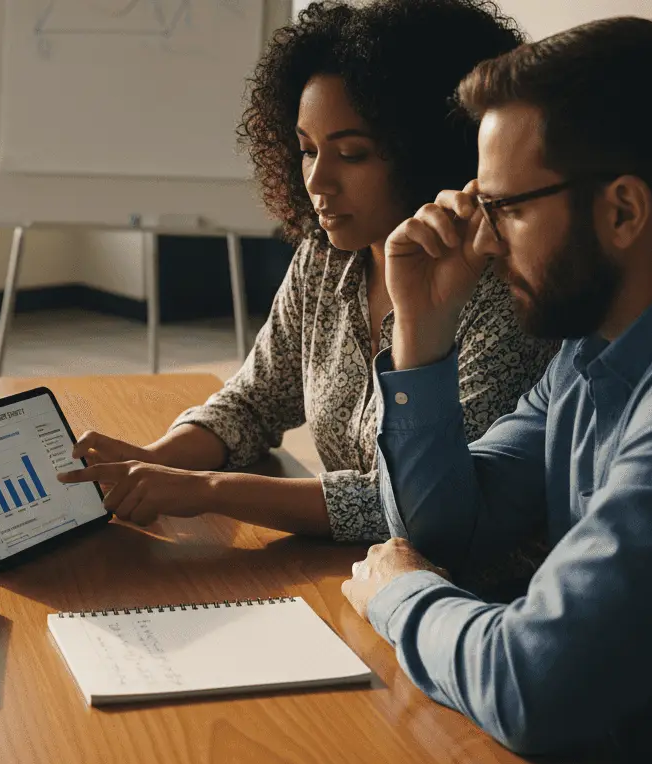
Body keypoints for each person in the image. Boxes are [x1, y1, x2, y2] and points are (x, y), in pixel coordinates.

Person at [340, 16, 652, 764]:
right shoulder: (601, 341)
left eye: (507, 209)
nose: (482, 242)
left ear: (622, 210)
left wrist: (398, 594)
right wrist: (422, 331)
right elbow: (449, 531)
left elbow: (531, 687)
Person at [57, 1, 557, 547]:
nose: (319, 180)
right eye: (306, 149)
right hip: (354, 573)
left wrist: (207, 490)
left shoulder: (507, 293)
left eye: (352, 154)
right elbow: (255, 399)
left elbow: (415, 504)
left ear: (429, 149)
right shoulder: (328, 257)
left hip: (465, 594)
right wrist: (154, 462)